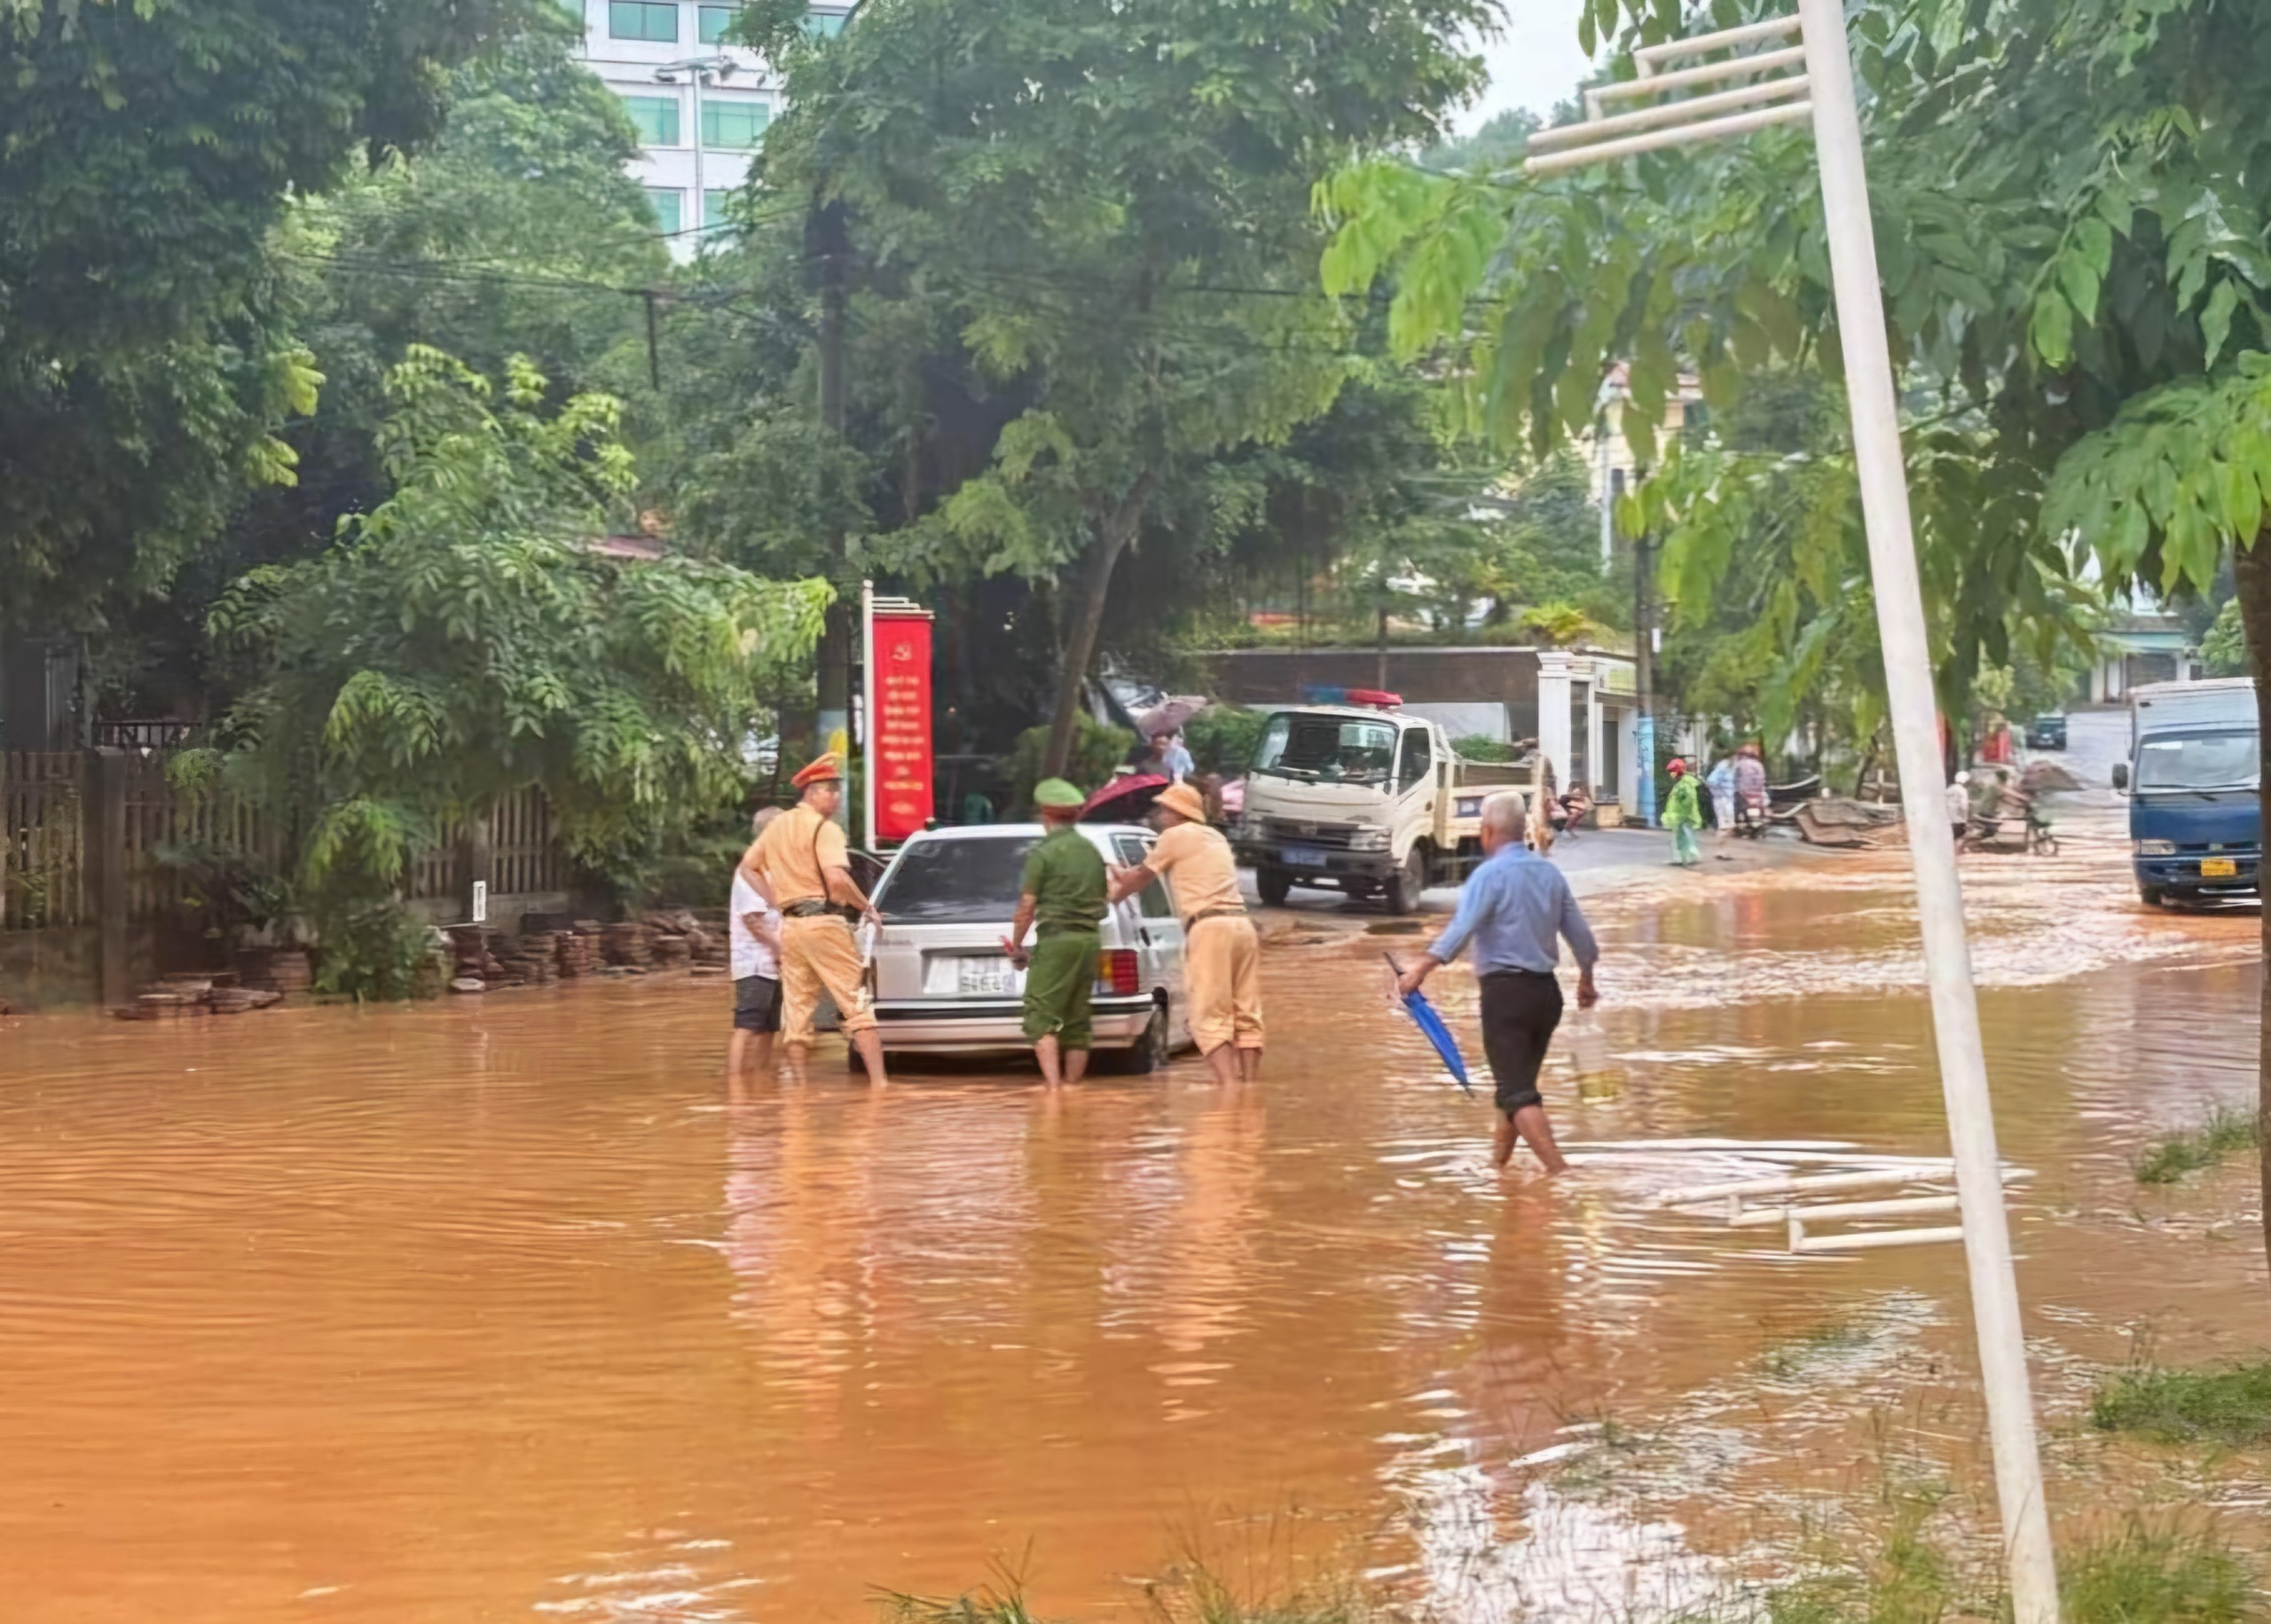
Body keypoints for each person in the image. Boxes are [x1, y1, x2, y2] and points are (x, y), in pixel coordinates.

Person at [1396, 793, 1597, 1175]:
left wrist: (1420, 968)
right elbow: (1583, 939)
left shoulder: (1488, 875)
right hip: (1546, 996)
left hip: (1505, 998)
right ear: (1522, 829)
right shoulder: (1550, 874)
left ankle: (1563, 1176)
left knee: (1517, 1092)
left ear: (1486, 831)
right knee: (1514, 1087)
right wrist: (1586, 982)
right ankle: (1497, 1172)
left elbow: (1461, 929)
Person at [743, 755, 890, 1085]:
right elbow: (836, 879)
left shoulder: (777, 826)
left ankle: (799, 1092)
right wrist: (867, 907)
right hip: (825, 924)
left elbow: (747, 867)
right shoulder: (826, 829)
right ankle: (881, 1088)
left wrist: (775, 900)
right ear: (812, 793)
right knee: (856, 1005)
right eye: (830, 791)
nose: (836, 799)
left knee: (796, 1012)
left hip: (792, 928)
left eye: (836, 791)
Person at [1108, 779, 1261, 1085]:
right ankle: (1250, 1089)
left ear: (1176, 813)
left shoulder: (1175, 836)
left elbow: (1141, 879)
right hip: (1242, 927)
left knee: (1208, 1014)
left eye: (1163, 810)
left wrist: (1111, 897)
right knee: (1246, 1010)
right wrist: (1129, 877)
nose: (1160, 816)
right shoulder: (1215, 837)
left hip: (1209, 928)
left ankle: (1229, 1089)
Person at [1003, 778, 1109, 1088]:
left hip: (1057, 940)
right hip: (1090, 940)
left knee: (1040, 1015)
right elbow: (1104, 895)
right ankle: (1073, 1088)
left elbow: (1027, 907)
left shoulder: (1043, 853)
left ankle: (1053, 1091)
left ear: (1045, 814)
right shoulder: (1092, 851)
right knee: (1077, 1017)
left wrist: (1018, 944)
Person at [729, 807, 785, 1076]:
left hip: (774, 964)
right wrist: (780, 949)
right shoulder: (750, 870)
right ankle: (737, 1089)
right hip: (754, 963)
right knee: (748, 1024)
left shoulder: (775, 868)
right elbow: (753, 921)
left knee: (770, 1027)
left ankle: (761, 1082)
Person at [1663, 757, 1703, 867]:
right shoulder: (1682, 783)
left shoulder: (1685, 784)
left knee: (1685, 837)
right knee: (1682, 837)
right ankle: (1683, 857)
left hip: (1684, 817)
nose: (1671, 774)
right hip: (1681, 816)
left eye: (1672, 771)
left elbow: (1688, 801)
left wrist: (1683, 814)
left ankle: (1689, 857)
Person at [1706, 752, 1739, 837]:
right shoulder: (1725, 767)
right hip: (1725, 793)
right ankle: (1726, 828)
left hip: (1720, 793)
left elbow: (1711, 781)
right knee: (1727, 813)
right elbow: (1712, 781)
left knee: (1722, 815)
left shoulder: (1723, 766)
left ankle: (1724, 829)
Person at [1946, 771, 1973, 845]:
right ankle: (1957, 852)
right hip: (1959, 820)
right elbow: (1964, 807)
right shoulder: (1963, 791)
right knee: (1961, 837)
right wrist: (1966, 820)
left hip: (1948, 820)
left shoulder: (1949, 789)